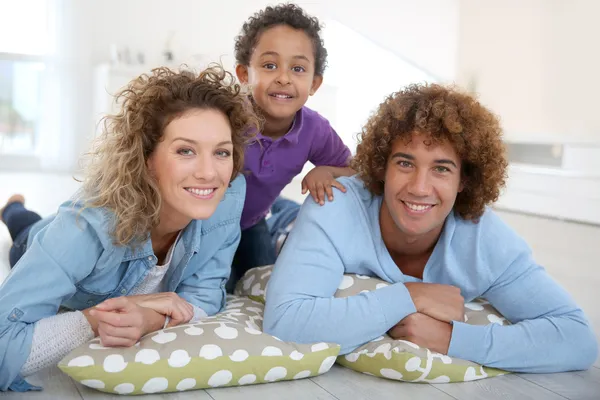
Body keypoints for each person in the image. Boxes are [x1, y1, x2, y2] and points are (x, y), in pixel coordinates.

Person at [263, 83, 598, 373]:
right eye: (405, 163)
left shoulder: (483, 238)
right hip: (285, 229)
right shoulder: (333, 204)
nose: (420, 187)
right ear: (382, 167)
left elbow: (576, 338)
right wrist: (411, 296)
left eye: (441, 169)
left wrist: (451, 339)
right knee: (274, 223)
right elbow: (286, 319)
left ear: (464, 179)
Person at [0, 65, 258, 391]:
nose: (210, 173)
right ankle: (12, 209)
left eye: (221, 152)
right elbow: (3, 345)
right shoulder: (85, 227)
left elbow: (206, 295)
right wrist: (98, 320)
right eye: (186, 150)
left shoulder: (230, 194)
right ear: (146, 159)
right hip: (41, 241)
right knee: (24, 232)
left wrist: (151, 318)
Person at [228, 3, 355, 291]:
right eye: (270, 65)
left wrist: (327, 171)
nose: (283, 78)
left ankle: (281, 225)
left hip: (251, 222)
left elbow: (356, 170)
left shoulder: (314, 129)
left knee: (263, 288)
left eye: (297, 69)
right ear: (245, 74)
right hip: (202, 226)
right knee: (215, 289)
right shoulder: (225, 116)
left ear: (314, 83)